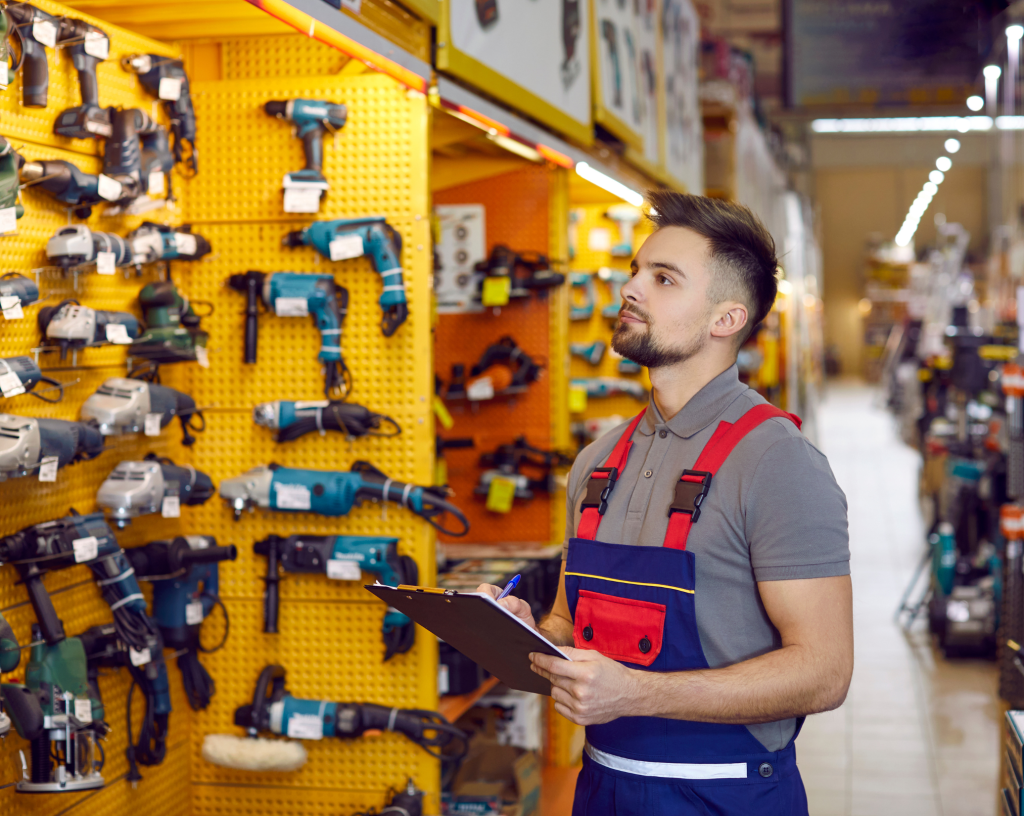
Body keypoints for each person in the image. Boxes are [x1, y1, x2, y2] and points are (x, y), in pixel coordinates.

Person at [478, 191, 852, 815]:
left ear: (726, 319)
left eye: (664, 278)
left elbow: (824, 671)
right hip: (601, 789)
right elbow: (569, 627)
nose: (632, 290)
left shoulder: (778, 463)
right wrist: (520, 636)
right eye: (634, 271)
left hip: (727, 794)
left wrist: (635, 693)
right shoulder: (597, 462)